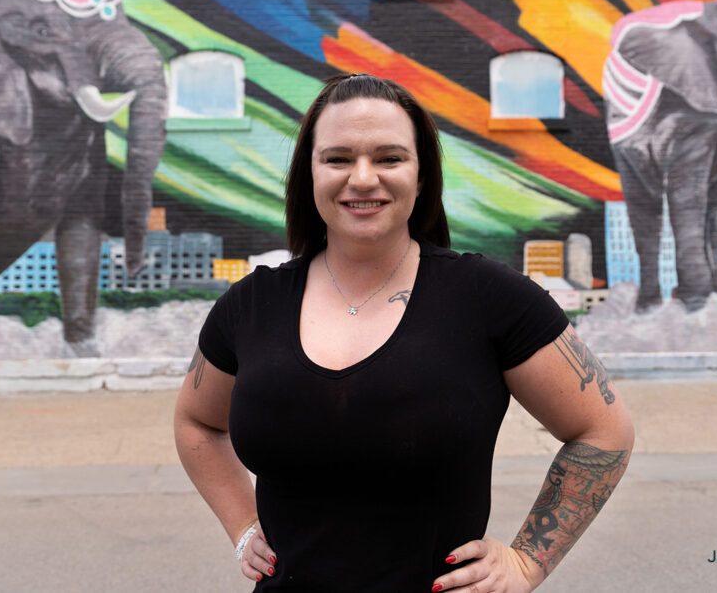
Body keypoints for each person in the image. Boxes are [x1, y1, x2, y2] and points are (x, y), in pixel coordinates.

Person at [174, 73, 634, 592]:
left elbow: (604, 430)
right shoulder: (251, 304)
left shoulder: (488, 297)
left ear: (421, 176)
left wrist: (528, 561)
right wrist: (242, 527)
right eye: (338, 158)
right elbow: (197, 423)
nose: (364, 178)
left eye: (389, 158)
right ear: (309, 174)